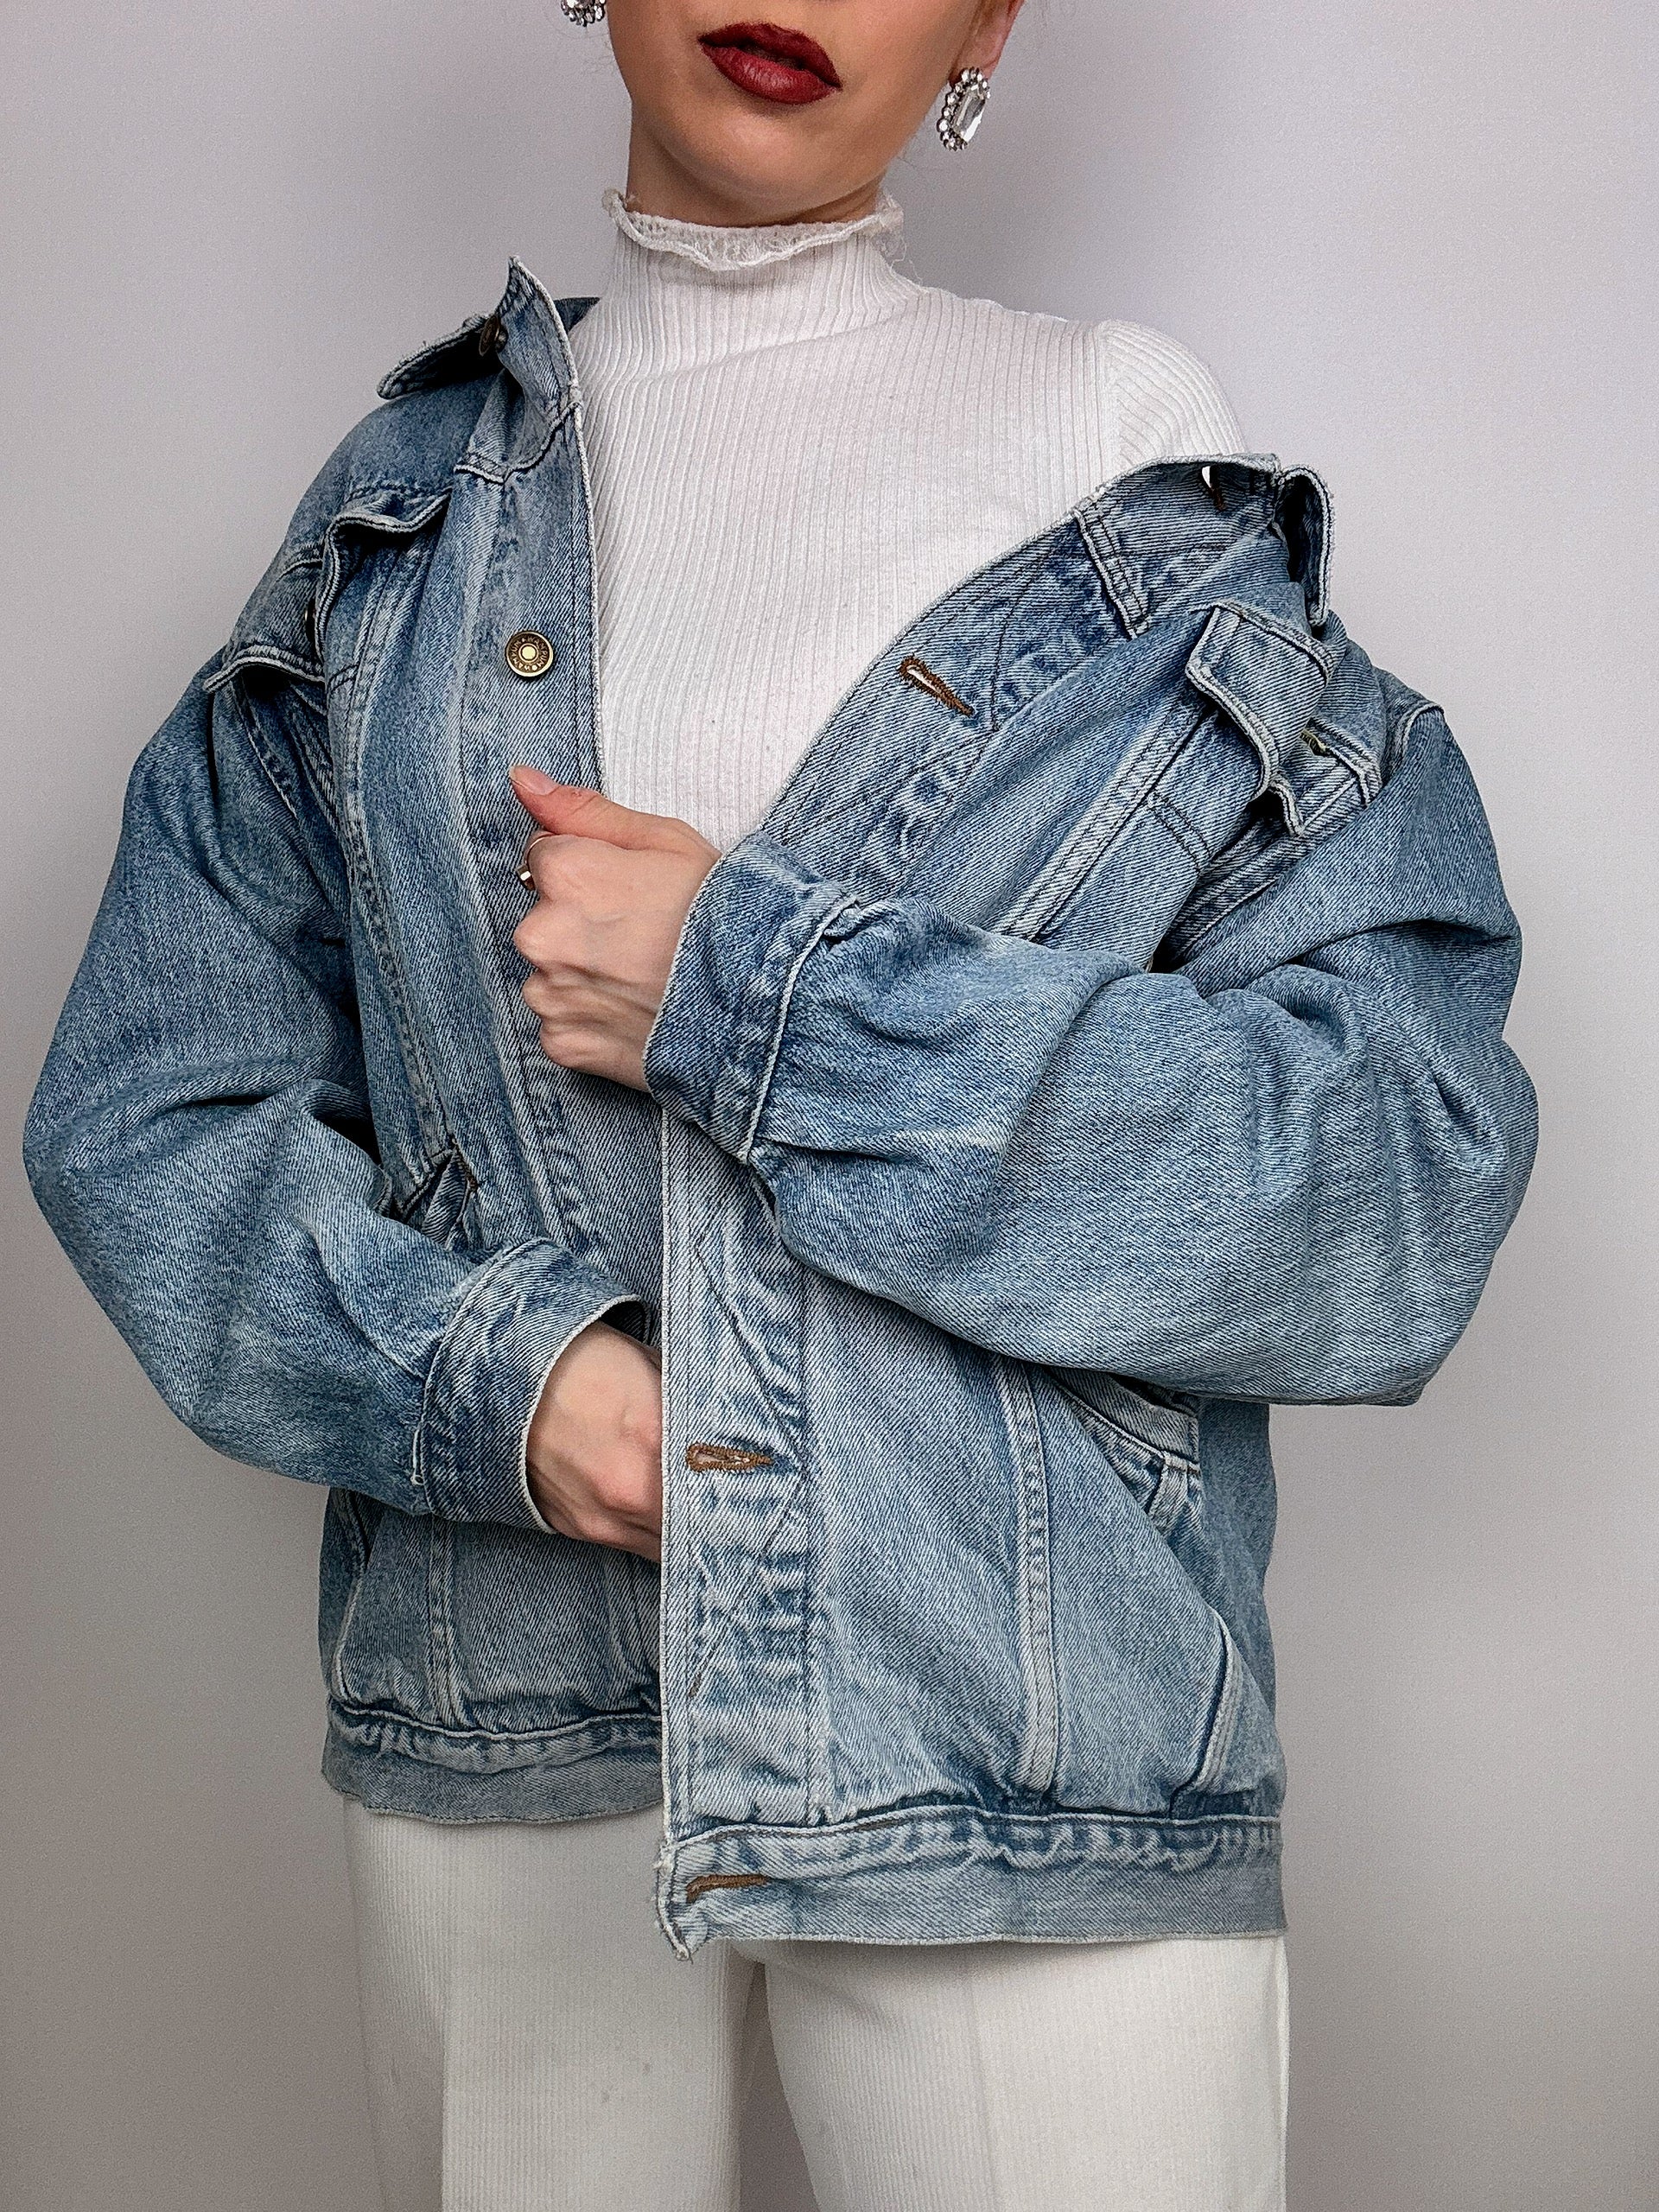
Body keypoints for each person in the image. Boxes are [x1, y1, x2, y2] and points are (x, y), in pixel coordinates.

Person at [22, 3, 1538, 2207]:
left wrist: (746, 995)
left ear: (990, 19)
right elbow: (151, 1103)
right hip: (519, 1691)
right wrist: (511, 1388)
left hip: (1021, 1726)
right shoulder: (398, 515)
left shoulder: (1121, 458)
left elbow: (1391, 1178)